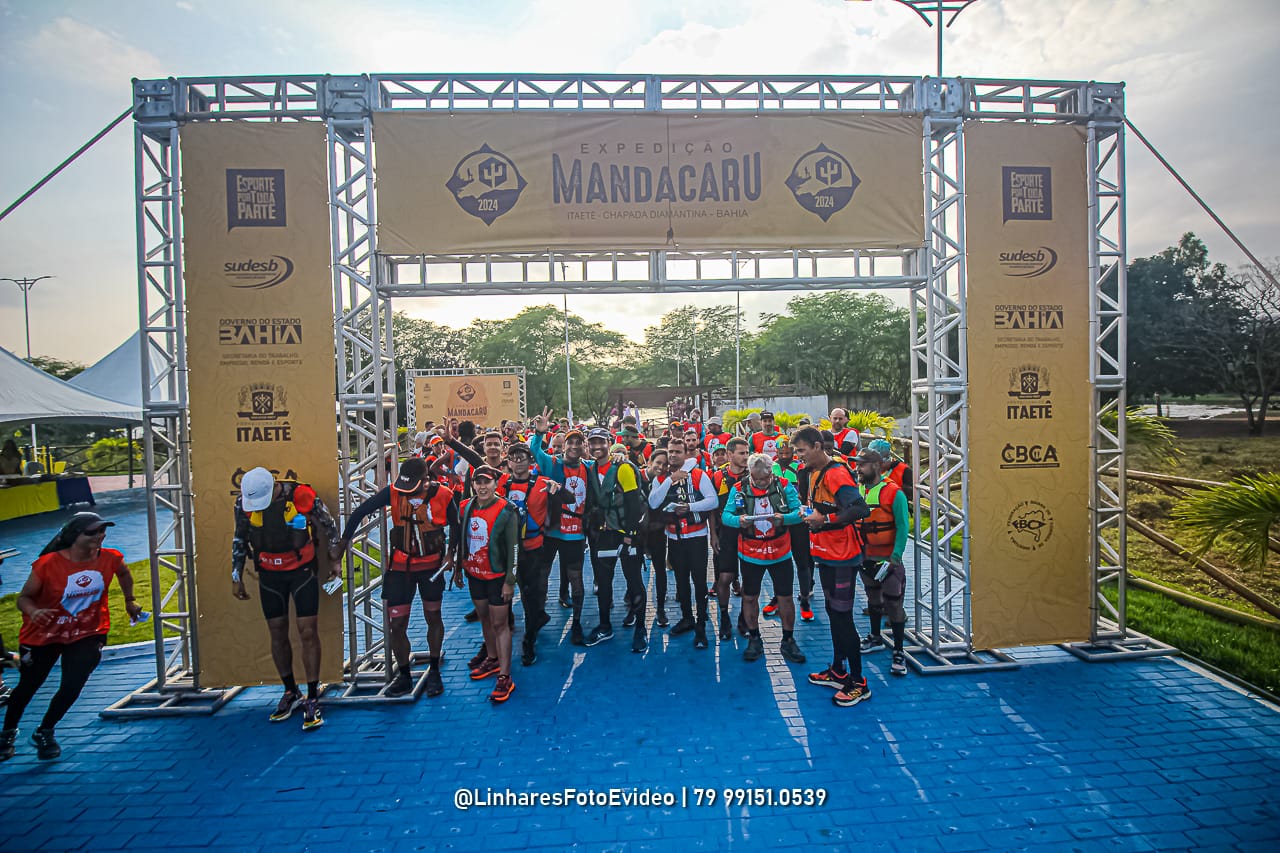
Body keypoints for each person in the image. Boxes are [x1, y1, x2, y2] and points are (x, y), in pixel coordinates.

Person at [1, 513, 142, 761]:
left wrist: (130, 600)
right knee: (28, 686)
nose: (100, 536)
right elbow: (24, 598)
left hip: (88, 631)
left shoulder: (111, 557)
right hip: (43, 635)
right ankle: (7, 733)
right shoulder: (48, 564)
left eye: (102, 530)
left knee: (72, 684)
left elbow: (123, 573)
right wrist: (35, 612)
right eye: (92, 532)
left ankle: (45, 731)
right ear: (74, 536)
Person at [335, 457, 458, 698]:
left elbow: (456, 525)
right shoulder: (393, 492)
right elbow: (361, 511)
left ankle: (434, 670)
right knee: (396, 625)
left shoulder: (444, 494)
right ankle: (404, 675)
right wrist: (342, 543)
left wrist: (452, 554)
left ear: (426, 481)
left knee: (433, 616)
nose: (404, 489)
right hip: (400, 568)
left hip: (431, 567)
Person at [232, 467, 342, 730]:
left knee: (307, 631)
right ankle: (290, 691)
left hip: (301, 572)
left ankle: (313, 695)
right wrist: (236, 574)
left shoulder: (302, 495)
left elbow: (330, 528)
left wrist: (335, 562)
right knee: (277, 632)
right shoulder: (243, 503)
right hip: (269, 575)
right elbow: (240, 537)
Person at [792, 427, 873, 708]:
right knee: (832, 612)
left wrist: (825, 521)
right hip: (825, 553)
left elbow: (860, 509)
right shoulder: (813, 472)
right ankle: (838, 670)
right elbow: (821, 508)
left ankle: (859, 682)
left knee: (843, 617)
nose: (798, 456)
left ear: (817, 446)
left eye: (802, 451)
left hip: (842, 556)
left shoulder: (836, 472)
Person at [720, 454, 807, 665]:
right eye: (757, 479)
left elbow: (800, 512)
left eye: (765, 479)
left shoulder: (784, 485)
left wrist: (784, 518)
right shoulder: (739, 488)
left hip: (780, 551)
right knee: (750, 597)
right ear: (750, 474)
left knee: (785, 597)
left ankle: (788, 639)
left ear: (771, 473)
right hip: (750, 553)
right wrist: (738, 520)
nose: (761, 483)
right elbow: (725, 515)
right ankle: (754, 638)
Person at [497, 442, 570, 666]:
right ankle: (506, 630)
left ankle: (529, 640)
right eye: (513, 458)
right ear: (507, 462)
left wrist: (557, 491)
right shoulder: (501, 482)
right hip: (506, 551)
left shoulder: (542, 483)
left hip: (533, 549)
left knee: (530, 596)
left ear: (531, 461)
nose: (518, 462)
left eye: (523, 458)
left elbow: (570, 499)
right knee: (503, 595)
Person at [453, 466, 519, 703]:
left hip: (497, 577)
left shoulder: (507, 510)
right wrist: (460, 566)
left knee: (500, 624)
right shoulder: (467, 506)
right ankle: (492, 658)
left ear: (495, 484)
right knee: (485, 619)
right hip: (475, 574)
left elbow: (514, 548)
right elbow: (462, 538)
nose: (482, 486)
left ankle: (505, 675)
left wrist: (510, 581)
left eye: (487, 482)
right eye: (478, 482)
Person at [647, 438, 719, 650]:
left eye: (678, 451)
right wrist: (671, 480)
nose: (673, 455)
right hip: (674, 538)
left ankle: (701, 624)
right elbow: (653, 502)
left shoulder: (698, 475)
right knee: (680, 581)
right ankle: (687, 617)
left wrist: (689, 506)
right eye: (670, 451)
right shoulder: (661, 478)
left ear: (685, 453)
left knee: (699, 581)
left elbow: (712, 500)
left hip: (696, 537)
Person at [530, 408, 592, 645]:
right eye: (570, 442)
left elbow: (610, 467)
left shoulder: (589, 467)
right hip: (552, 531)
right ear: (563, 445)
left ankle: (576, 622)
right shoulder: (551, 463)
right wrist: (540, 432)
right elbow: (535, 451)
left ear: (583, 446)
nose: (574, 446)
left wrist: (618, 457)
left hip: (575, 534)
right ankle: (538, 614)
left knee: (576, 577)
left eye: (579, 442)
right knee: (543, 574)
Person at [583, 439, 647, 652]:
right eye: (592, 443)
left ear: (608, 444)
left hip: (626, 533)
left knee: (634, 581)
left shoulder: (623, 468)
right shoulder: (590, 468)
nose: (596, 447)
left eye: (601, 442)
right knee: (603, 581)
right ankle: (604, 626)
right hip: (604, 535)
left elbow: (634, 503)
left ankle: (640, 629)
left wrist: (630, 535)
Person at [854, 448, 911, 677]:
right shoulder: (857, 490)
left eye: (863, 464)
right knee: (872, 599)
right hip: (865, 557)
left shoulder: (893, 493)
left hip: (888, 560)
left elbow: (903, 526)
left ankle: (898, 650)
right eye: (857, 464)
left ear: (876, 466)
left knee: (894, 604)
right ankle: (876, 637)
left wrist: (895, 557)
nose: (858, 468)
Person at [639, 449, 671, 627]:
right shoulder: (637, 476)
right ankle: (634, 607)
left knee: (660, 570)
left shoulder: (666, 480)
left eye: (665, 464)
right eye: (658, 462)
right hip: (638, 532)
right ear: (649, 462)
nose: (661, 467)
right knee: (634, 571)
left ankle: (660, 608)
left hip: (657, 530)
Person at [868, 438, 915, 505]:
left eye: (879, 463)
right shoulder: (867, 470)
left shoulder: (904, 471)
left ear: (887, 459)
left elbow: (922, 491)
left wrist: (899, 489)